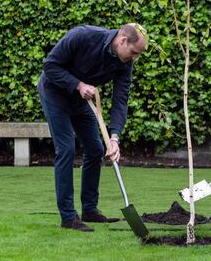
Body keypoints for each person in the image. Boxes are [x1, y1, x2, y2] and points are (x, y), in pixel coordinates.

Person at [38, 23, 147, 232]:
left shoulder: (125, 63)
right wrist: (78, 85)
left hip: (82, 102)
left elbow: (120, 100)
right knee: (66, 149)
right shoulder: (83, 36)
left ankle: (89, 210)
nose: (134, 58)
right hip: (55, 94)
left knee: (96, 149)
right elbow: (49, 66)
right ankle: (68, 217)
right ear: (122, 40)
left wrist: (114, 138)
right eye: (134, 52)